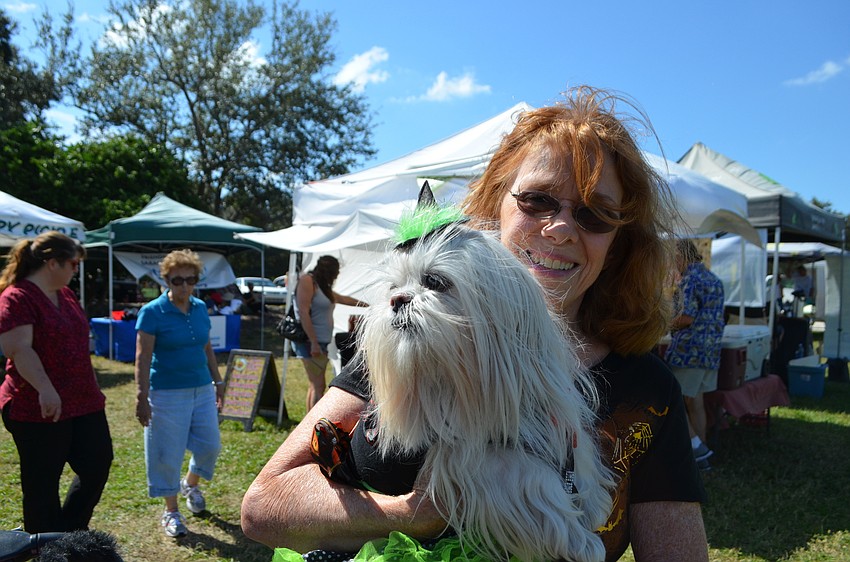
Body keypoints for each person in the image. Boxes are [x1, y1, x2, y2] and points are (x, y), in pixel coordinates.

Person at [241, 86, 709, 561]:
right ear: (495, 206)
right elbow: (262, 508)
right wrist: (410, 513)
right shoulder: (411, 333)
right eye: (538, 200)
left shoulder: (649, 391)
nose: (562, 227)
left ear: (620, 242)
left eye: (595, 214)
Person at [0, 231, 114, 533]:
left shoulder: (65, 294)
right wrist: (46, 389)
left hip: (83, 400)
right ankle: (43, 544)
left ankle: (68, 532)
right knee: (42, 485)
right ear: (52, 262)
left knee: (97, 463)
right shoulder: (17, 296)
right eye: (73, 264)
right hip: (37, 405)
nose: (76, 270)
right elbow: (18, 348)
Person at [134, 249, 224, 538]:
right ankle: (171, 510)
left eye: (190, 279)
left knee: (210, 444)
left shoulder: (199, 307)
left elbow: (206, 347)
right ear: (166, 280)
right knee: (166, 453)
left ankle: (191, 483)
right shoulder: (152, 312)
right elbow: (142, 358)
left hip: (201, 389)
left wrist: (218, 381)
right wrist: (141, 396)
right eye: (177, 280)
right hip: (167, 393)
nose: (184, 286)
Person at [665, 239, 726, 471]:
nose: (672, 263)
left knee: (676, 403)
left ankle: (694, 452)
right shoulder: (714, 279)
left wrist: (662, 321)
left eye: (674, 258)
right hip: (709, 352)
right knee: (695, 403)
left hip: (688, 352)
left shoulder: (689, 280)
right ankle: (701, 453)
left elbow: (686, 318)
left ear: (682, 256)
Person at [292, 256, 368, 412]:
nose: (336, 276)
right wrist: (313, 341)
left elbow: (340, 298)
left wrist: (367, 305)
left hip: (320, 341)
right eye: (336, 272)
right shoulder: (307, 281)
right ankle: (313, 426)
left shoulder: (321, 286)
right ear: (330, 271)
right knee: (318, 385)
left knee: (315, 384)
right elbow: (303, 312)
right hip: (310, 342)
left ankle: (310, 421)